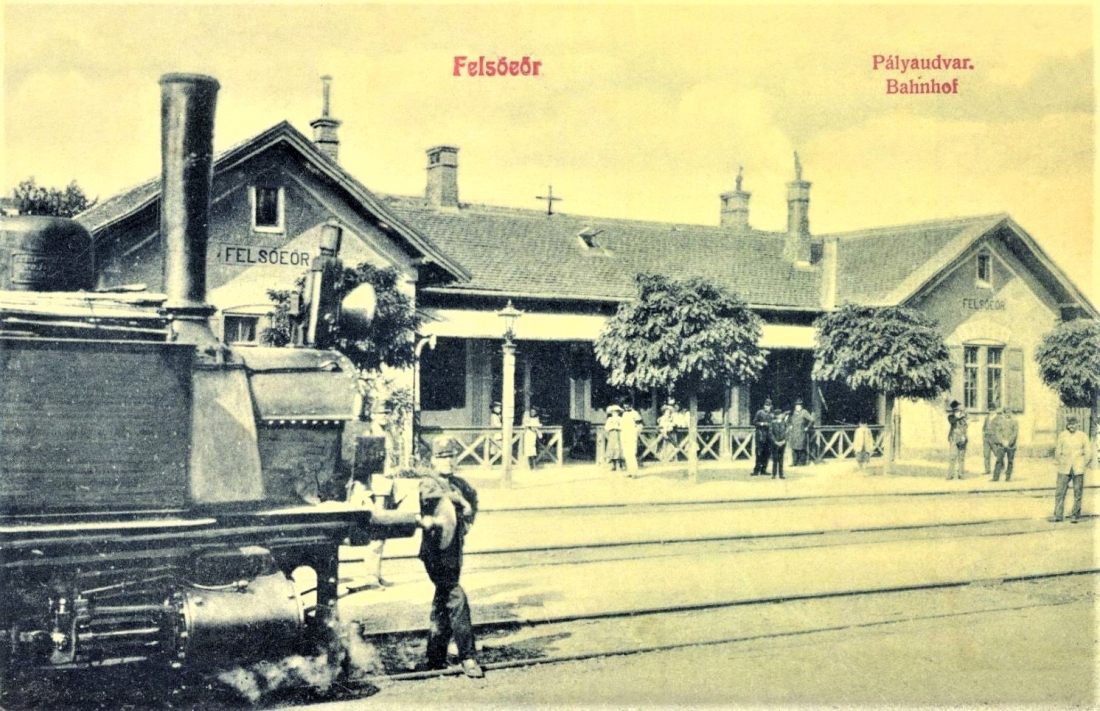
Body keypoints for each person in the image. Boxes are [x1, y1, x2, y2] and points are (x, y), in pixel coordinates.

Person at [416, 439, 483, 678]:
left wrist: (466, 522)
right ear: (433, 460)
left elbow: (473, 499)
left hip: (454, 551)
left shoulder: (459, 483)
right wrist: (459, 501)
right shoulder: (428, 482)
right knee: (456, 597)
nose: (448, 461)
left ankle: (435, 657)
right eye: (443, 456)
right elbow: (433, 498)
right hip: (435, 554)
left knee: (442, 601)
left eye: (452, 456)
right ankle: (468, 657)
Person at [1050, 416, 1092, 523]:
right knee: (1060, 492)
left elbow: (1088, 452)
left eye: (1074, 424)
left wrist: (1083, 464)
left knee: (1077, 492)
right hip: (1064, 467)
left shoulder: (1083, 436)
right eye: (1069, 424)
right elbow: (1057, 451)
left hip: (1078, 467)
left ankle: (1075, 515)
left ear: (1077, 424)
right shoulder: (1062, 435)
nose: (1071, 426)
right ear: (1067, 425)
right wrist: (1060, 461)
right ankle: (1058, 515)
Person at [990, 408, 1019, 482]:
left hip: (1011, 445)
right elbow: (998, 432)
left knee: (1010, 461)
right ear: (1003, 414)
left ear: (1011, 413)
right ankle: (995, 478)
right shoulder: (1000, 422)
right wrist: (1002, 441)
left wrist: (1009, 442)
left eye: (1009, 413)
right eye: (1006, 413)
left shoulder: (1014, 422)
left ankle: (1008, 477)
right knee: (999, 461)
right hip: (1001, 445)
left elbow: (1015, 433)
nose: (1007, 414)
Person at [946, 400, 968, 480]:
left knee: (961, 458)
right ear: (954, 409)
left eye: (959, 409)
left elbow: (965, 426)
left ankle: (961, 474)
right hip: (954, 439)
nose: (959, 410)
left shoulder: (963, 417)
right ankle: (950, 475)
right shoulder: (951, 417)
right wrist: (958, 417)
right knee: (952, 457)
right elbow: (952, 421)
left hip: (962, 439)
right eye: (958, 409)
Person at [788, 399, 814, 466]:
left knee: (801, 448)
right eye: (797, 406)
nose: (798, 407)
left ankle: (802, 462)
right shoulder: (793, 413)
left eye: (799, 406)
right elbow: (789, 420)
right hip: (794, 433)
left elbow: (812, 420)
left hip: (801, 432)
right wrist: (790, 425)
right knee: (794, 448)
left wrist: (807, 427)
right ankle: (794, 462)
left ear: (801, 406)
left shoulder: (804, 412)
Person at [752, 398, 774, 476]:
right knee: (759, 453)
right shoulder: (759, 413)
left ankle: (763, 470)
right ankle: (756, 470)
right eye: (766, 405)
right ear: (764, 406)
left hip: (768, 436)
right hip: (760, 435)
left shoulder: (771, 415)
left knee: (767, 453)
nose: (767, 407)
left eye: (768, 406)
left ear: (771, 407)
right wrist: (762, 424)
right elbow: (754, 422)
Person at [620, 402, 642, 475]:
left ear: (631, 405)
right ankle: (629, 471)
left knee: (632, 453)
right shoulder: (623, 414)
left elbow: (640, 425)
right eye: (624, 406)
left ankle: (634, 472)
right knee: (626, 454)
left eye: (627, 405)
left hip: (632, 435)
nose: (626, 407)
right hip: (624, 434)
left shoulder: (635, 413)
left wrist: (636, 432)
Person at [604, 404, 625, 471]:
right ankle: (613, 465)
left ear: (618, 412)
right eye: (613, 412)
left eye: (616, 412)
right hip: (612, 434)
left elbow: (623, 427)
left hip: (619, 434)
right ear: (611, 413)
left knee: (619, 447)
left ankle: (619, 464)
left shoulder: (620, 419)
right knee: (612, 448)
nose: (615, 413)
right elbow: (606, 427)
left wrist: (618, 427)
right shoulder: (610, 419)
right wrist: (612, 427)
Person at [769, 410, 789, 479]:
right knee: (775, 459)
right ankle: (774, 474)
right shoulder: (772, 423)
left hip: (783, 443)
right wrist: (775, 441)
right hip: (775, 444)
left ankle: (781, 474)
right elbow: (771, 433)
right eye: (779, 414)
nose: (781, 415)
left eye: (781, 414)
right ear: (776, 416)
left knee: (781, 459)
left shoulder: (784, 423)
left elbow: (787, 432)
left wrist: (784, 441)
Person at [982, 411, 996, 477]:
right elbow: (983, 427)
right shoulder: (986, 418)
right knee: (986, 454)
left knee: (997, 453)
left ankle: (1001, 467)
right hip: (986, 438)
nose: (991, 411)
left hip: (994, 438)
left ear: (995, 410)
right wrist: (984, 434)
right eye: (990, 409)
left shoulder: (998, 418)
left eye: (992, 409)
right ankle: (987, 470)